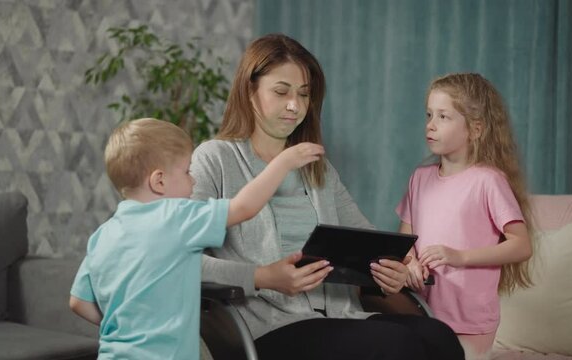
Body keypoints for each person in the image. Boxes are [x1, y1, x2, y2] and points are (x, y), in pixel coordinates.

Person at [190, 33, 464, 360]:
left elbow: (370, 242)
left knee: (439, 337)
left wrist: (391, 271)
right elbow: (183, 262)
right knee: (395, 344)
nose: (295, 105)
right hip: (267, 327)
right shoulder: (215, 159)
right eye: (281, 92)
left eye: (304, 94)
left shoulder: (317, 168)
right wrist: (262, 277)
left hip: (339, 318)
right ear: (250, 91)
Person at [69, 118, 324, 359]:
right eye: (188, 171)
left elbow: (78, 302)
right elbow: (244, 207)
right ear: (159, 181)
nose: (193, 182)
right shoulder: (175, 217)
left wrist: (127, 328)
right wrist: (282, 163)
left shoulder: (103, 235)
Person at [396, 73, 534, 360]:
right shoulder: (419, 178)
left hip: (470, 318)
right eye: (429, 115)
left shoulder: (488, 181)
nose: (430, 125)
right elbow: (405, 238)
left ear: (475, 129)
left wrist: (459, 257)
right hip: (423, 309)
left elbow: (521, 245)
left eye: (444, 117)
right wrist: (409, 263)